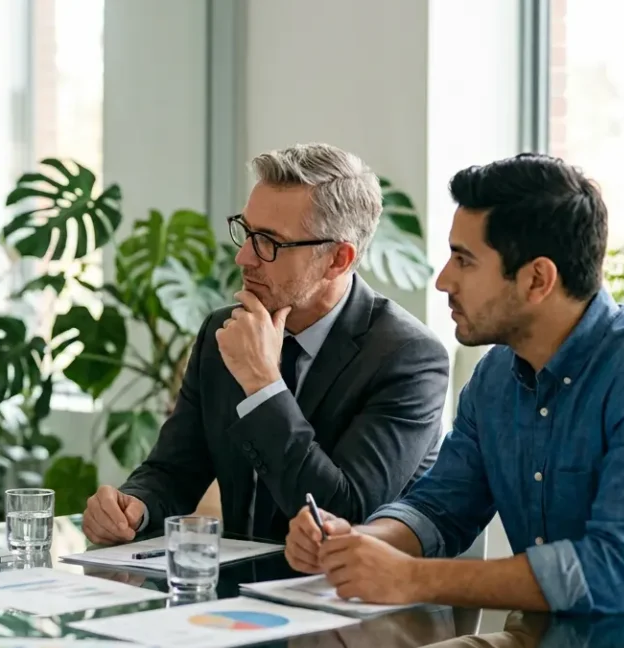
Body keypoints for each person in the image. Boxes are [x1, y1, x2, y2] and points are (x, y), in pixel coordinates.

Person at [285, 153, 624, 622]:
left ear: (537, 279)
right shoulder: (496, 377)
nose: (442, 281)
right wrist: (358, 543)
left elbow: (616, 576)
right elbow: (440, 509)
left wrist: (412, 578)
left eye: (464, 260)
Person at [82, 143, 450, 545]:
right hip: (240, 591)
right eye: (246, 232)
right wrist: (135, 506)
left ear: (337, 260)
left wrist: (263, 384)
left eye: (269, 242)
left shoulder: (407, 357)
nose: (244, 257)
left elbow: (343, 512)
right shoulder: (224, 329)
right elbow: (176, 469)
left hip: (354, 597)